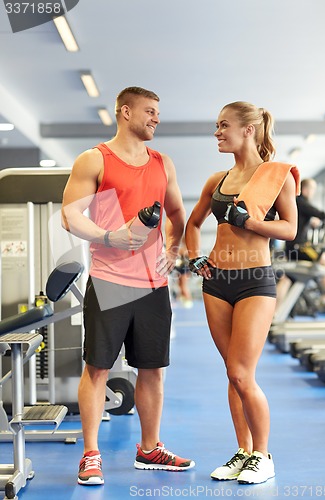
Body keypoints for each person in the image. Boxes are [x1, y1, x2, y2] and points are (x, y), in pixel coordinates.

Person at [61, 86, 194, 486]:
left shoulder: (162, 163)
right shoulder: (94, 159)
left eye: (158, 112)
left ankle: (150, 448)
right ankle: (90, 455)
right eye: (149, 111)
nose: (156, 118)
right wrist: (108, 237)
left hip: (154, 285)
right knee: (98, 368)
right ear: (125, 112)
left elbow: (176, 213)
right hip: (110, 281)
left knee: (153, 369)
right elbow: (70, 215)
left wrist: (172, 248)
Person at [185, 101, 299, 484]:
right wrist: (193, 257)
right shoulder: (216, 179)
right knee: (232, 375)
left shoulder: (277, 176)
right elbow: (193, 222)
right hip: (216, 281)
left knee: (241, 372)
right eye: (216, 126)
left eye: (223, 125)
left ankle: (263, 455)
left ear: (248, 129)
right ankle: (243, 451)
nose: (217, 132)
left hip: (254, 281)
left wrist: (248, 220)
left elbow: (290, 230)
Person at [277, 178, 325, 310]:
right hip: (300, 248)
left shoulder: (296, 203)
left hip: (291, 249)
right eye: (312, 190)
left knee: (287, 279)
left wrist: (311, 222)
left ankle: (274, 314)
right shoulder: (301, 202)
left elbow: (302, 220)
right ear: (306, 189)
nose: (313, 193)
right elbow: (321, 214)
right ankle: (324, 298)